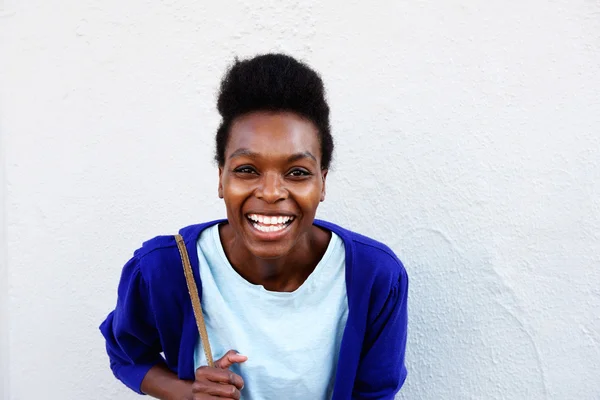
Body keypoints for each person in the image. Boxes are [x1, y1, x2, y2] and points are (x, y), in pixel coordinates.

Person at [100, 53, 409, 400]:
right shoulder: (167, 268)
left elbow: (375, 392)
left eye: (298, 172)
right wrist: (188, 392)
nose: (272, 193)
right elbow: (126, 353)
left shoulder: (376, 277)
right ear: (221, 179)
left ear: (322, 183)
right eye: (247, 169)